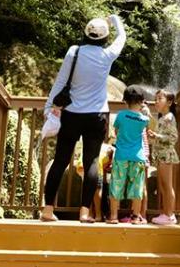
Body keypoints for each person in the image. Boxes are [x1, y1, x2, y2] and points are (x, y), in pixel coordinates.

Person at [40, 15, 126, 223]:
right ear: (105, 37)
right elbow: (122, 37)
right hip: (96, 116)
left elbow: (61, 80)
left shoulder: (74, 52)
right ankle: (85, 213)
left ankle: (48, 210)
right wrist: (114, 19)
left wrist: (48, 107)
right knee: (92, 162)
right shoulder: (107, 55)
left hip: (71, 114)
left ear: (86, 34)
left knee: (60, 160)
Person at [107, 86, 149, 224]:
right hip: (138, 157)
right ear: (142, 101)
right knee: (137, 187)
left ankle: (113, 216)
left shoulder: (121, 115)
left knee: (116, 185)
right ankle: (136, 217)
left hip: (121, 156)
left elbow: (117, 129)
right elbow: (145, 128)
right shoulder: (144, 120)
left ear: (125, 100)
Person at [149, 89, 179, 225]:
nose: (156, 101)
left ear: (169, 102)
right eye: (155, 99)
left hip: (166, 154)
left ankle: (170, 215)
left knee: (167, 185)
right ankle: (166, 213)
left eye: (159, 99)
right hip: (161, 155)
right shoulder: (162, 118)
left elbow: (173, 137)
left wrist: (157, 136)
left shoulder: (169, 117)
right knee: (162, 185)